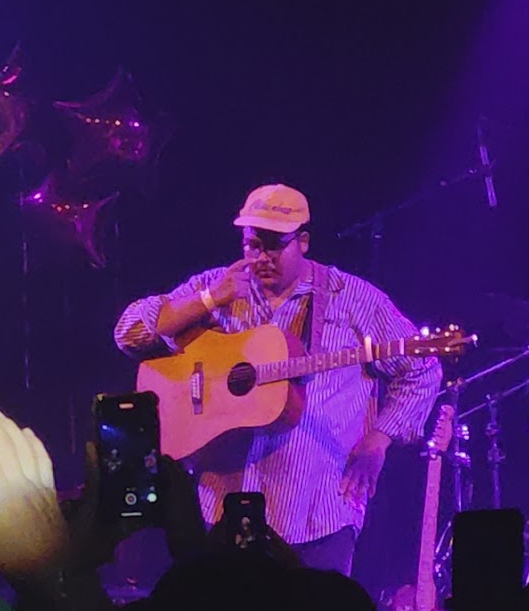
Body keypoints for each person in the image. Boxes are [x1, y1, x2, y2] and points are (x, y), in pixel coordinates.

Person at [112, 184, 440, 576]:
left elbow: (422, 367)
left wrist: (380, 438)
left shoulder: (352, 298)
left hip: (317, 510)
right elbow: (129, 332)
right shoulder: (220, 285)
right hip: (224, 507)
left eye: (274, 245)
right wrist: (208, 299)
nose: (261, 257)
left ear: (302, 241)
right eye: (252, 244)